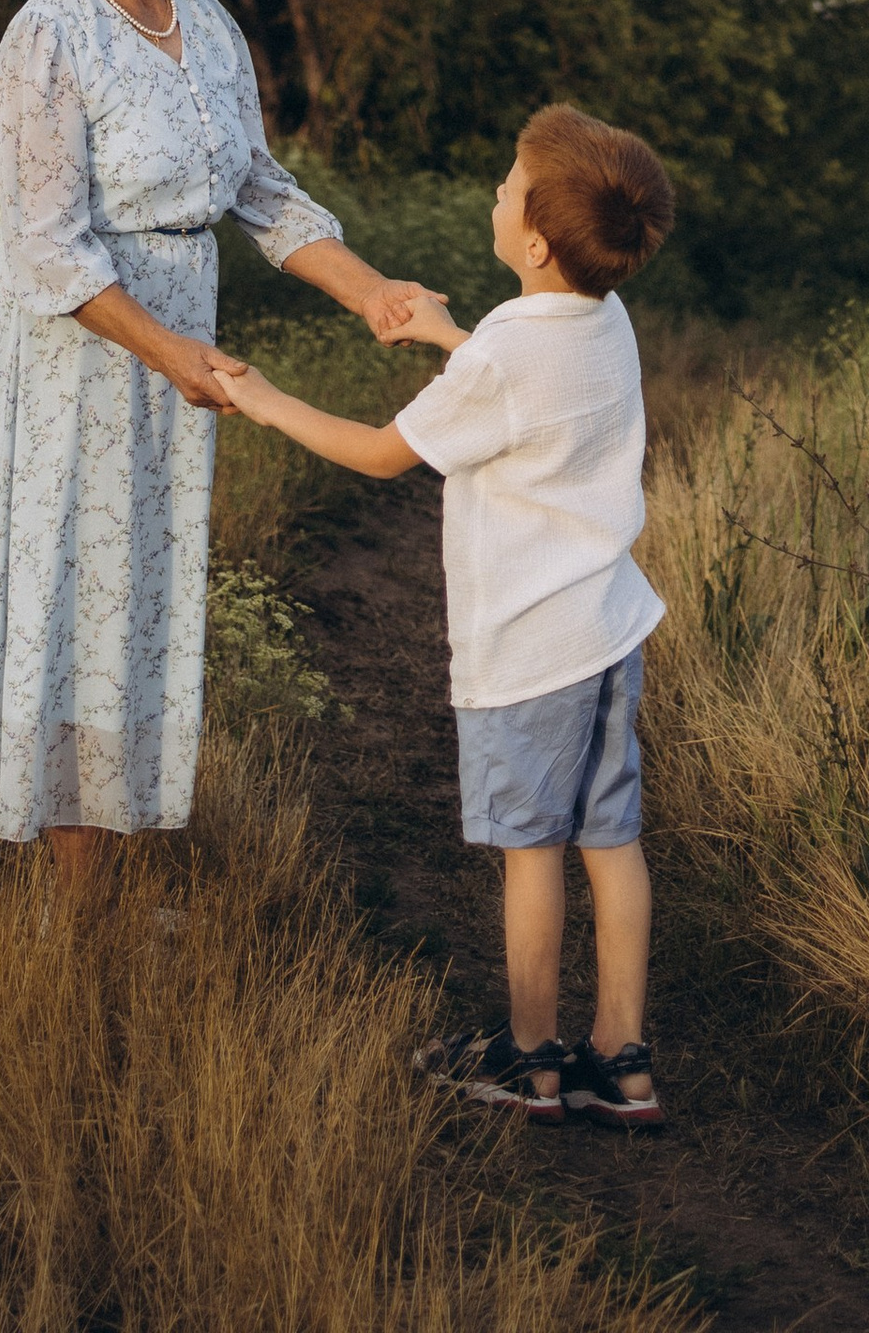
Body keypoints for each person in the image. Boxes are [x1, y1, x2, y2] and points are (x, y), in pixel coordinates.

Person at [0, 0, 436, 866]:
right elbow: (47, 244)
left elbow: (260, 190)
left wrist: (372, 291)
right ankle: (71, 903)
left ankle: (102, 870)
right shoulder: (47, 36)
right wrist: (166, 349)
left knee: (138, 606)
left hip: (174, 355)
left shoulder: (204, 19)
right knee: (74, 606)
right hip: (78, 356)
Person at [218, 101, 676, 1126]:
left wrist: (266, 399)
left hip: (529, 650)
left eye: (508, 188)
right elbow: (522, 384)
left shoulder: (505, 355)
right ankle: (623, 1059)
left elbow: (385, 453)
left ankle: (531, 1061)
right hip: (607, 630)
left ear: (535, 241)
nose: (496, 195)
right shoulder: (601, 317)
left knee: (530, 853)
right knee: (611, 842)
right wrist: (443, 334)